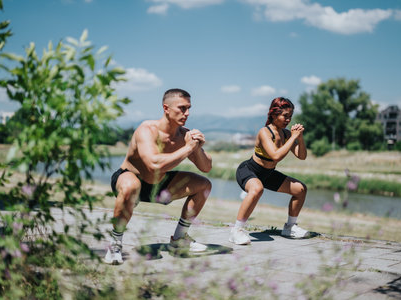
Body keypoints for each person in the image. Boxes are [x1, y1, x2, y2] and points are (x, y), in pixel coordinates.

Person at [104, 88, 212, 264]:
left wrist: (197, 148)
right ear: (166, 108)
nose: (187, 113)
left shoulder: (185, 136)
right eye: (182, 108)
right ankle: (115, 245)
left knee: (204, 185)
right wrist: (188, 149)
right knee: (131, 186)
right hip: (131, 178)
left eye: (189, 108)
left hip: (158, 184)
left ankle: (179, 240)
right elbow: (153, 164)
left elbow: (206, 167)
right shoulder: (147, 129)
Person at [230, 97, 309, 245]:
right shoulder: (265, 132)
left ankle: (290, 227)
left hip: (268, 174)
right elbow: (275, 155)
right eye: (285, 116)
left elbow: (302, 156)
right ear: (273, 114)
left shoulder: (286, 134)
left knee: (300, 189)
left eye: (290, 117)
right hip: (249, 170)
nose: (288, 120)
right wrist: (293, 138)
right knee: (257, 188)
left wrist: (300, 138)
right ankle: (236, 231)